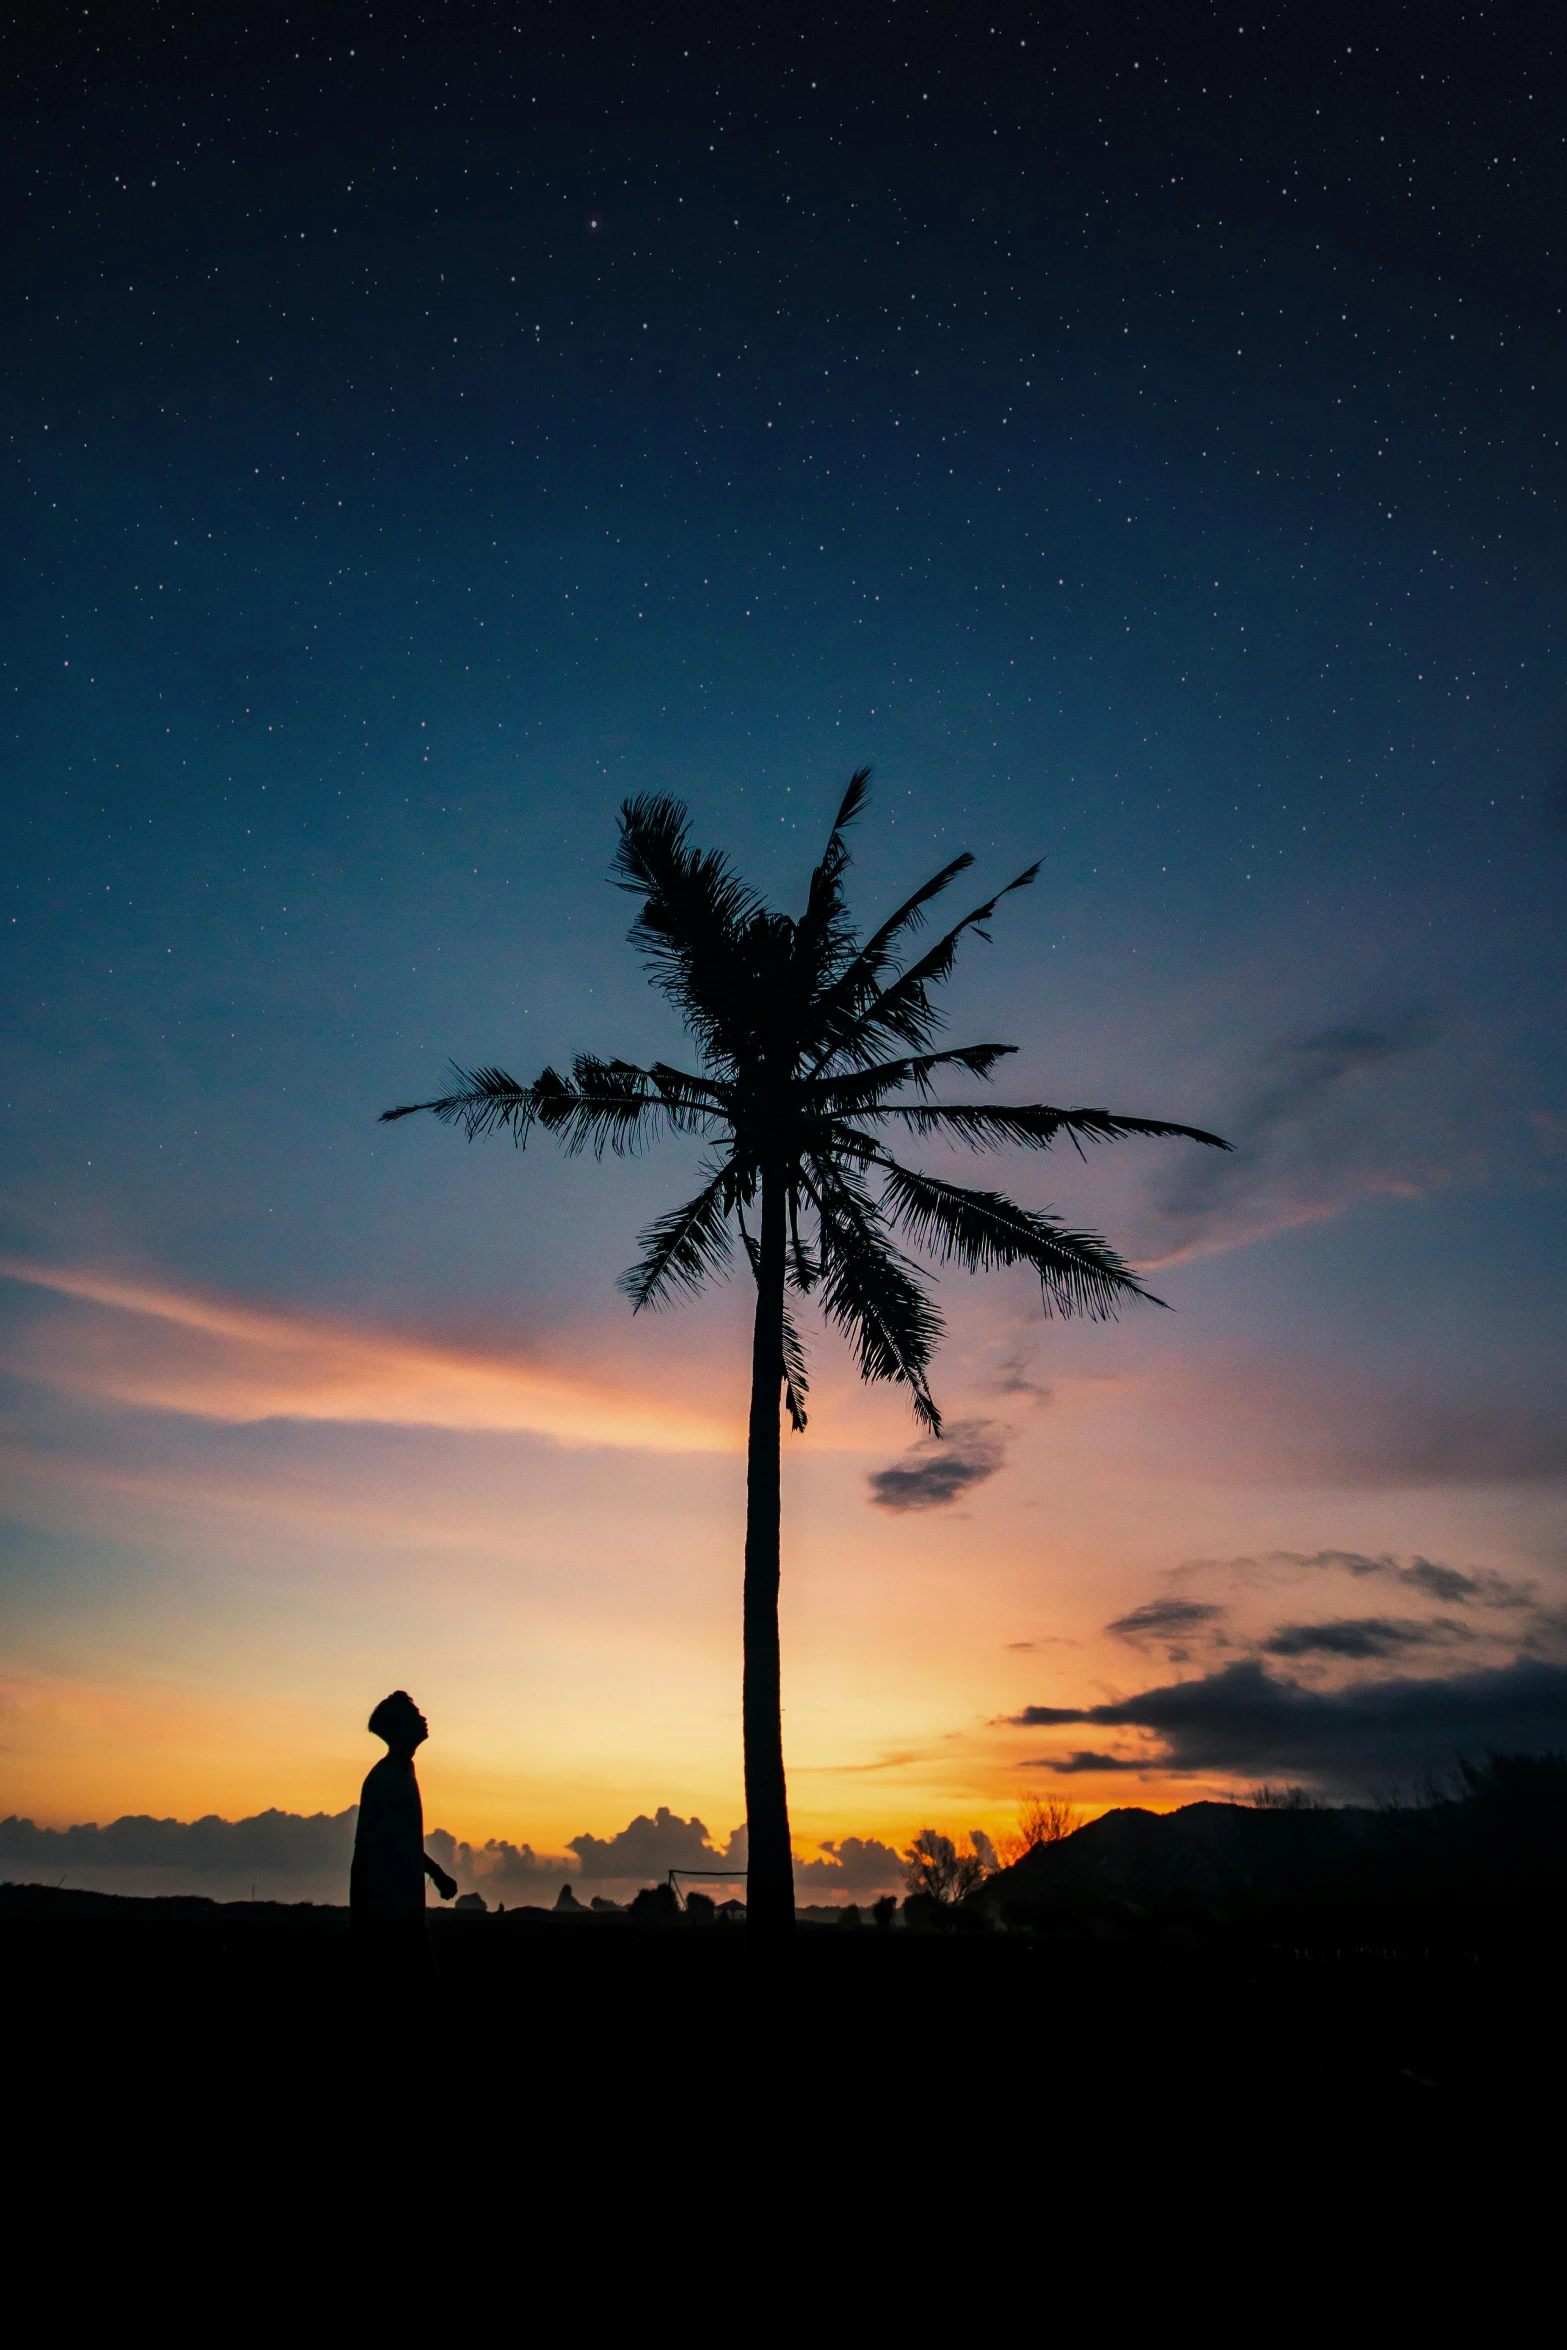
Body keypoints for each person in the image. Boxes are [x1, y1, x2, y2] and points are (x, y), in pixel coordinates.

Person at [350, 1690, 457, 1979]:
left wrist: (435, 1874)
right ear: (400, 1727)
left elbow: (400, 1842)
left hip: (401, 1907)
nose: (423, 1718)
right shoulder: (386, 1778)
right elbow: (375, 1846)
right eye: (414, 1715)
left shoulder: (402, 1771)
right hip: (388, 1911)